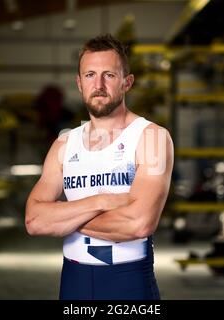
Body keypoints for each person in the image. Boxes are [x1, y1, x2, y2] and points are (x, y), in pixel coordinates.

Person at [25, 34, 174, 300]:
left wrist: (61, 217)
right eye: (91, 75)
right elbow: (34, 220)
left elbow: (139, 223)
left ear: (127, 82)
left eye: (109, 75)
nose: (99, 84)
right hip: (73, 281)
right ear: (79, 83)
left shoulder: (152, 138)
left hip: (128, 281)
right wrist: (102, 201)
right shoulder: (64, 144)